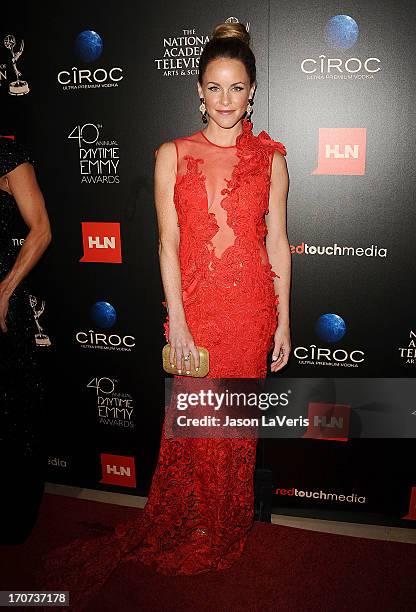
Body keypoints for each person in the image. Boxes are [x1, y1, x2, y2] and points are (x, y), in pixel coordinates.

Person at [39, 21, 291, 610]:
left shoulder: (273, 158)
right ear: (197, 91)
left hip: (253, 309)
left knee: (236, 431)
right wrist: (176, 320)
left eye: (236, 88)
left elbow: (277, 241)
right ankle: (196, 519)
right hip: (198, 312)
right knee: (200, 427)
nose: (225, 100)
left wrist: (283, 320)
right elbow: (167, 244)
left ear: (252, 91)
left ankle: (226, 524)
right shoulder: (171, 154)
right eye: (214, 87)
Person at [0, 135, 51, 544]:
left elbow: (41, 231)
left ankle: (15, 513)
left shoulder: (9, 155)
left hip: (0, 302)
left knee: (13, 409)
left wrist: (4, 290)